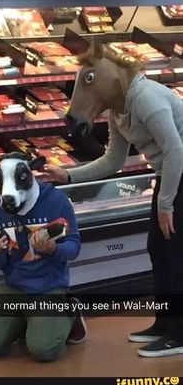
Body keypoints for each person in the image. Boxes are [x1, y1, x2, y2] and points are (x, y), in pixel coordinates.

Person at [42, 73, 183, 358]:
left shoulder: (147, 98)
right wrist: (69, 174)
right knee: (158, 250)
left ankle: (179, 334)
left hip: (179, 173)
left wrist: (166, 204)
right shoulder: (119, 109)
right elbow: (113, 159)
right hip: (168, 175)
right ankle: (166, 323)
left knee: (175, 255)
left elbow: (176, 150)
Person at [0, 176, 87, 362]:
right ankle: (27, 321)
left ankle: (69, 312)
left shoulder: (56, 200)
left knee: (44, 350)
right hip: (12, 289)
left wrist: (53, 249)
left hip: (48, 288)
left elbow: (74, 248)